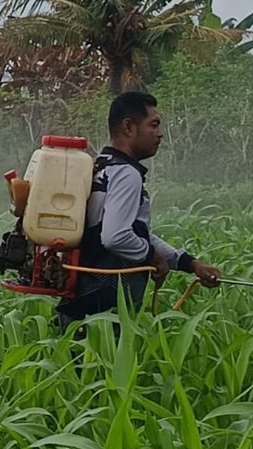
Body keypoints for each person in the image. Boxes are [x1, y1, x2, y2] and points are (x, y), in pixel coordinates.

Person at [56, 92, 221, 333]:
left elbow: (131, 231)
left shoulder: (102, 167)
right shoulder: (126, 174)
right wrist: (151, 257)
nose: (160, 133)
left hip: (80, 306)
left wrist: (190, 264)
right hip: (103, 312)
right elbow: (116, 236)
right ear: (129, 127)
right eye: (153, 125)